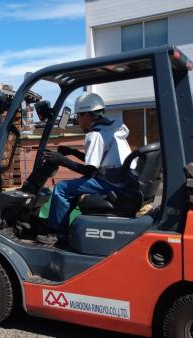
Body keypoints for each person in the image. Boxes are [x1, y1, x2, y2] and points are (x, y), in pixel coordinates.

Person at [36, 92, 133, 245]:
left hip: (112, 183)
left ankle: (57, 233)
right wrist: (72, 152)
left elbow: (90, 171)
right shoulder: (112, 130)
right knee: (75, 185)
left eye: (79, 116)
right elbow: (98, 161)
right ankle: (61, 222)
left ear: (87, 115)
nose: (78, 120)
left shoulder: (96, 135)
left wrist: (62, 160)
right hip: (120, 179)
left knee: (61, 188)